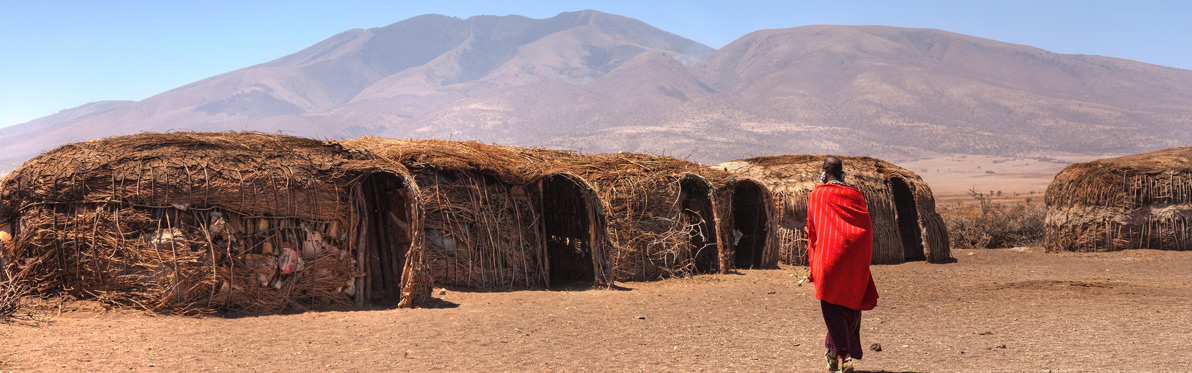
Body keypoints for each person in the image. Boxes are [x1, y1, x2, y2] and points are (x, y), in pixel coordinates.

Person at [806, 156, 879, 373]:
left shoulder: (817, 194)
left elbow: (811, 229)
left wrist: (813, 257)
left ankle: (845, 356)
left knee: (831, 306)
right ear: (843, 174)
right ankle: (831, 353)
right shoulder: (855, 194)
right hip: (854, 259)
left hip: (829, 259)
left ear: (823, 173)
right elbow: (866, 227)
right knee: (848, 304)